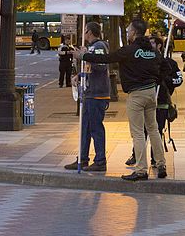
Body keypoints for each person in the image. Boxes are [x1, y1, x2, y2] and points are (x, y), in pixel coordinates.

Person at [75, 19, 167, 181]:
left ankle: (141, 169)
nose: (127, 33)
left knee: (138, 132)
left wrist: (83, 56)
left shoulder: (129, 50)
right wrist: (155, 81)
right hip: (151, 93)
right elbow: (163, 68)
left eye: (128, 30)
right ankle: (161, 164)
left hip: (136, 94)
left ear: (134, 32)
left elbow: (107, 58)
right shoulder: (153, 51)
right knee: (153, 129)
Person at [125, 35, 183, 166]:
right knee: (142, 131)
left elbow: (178, 80)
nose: (149, 46)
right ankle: (137, 155)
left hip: (161, 102)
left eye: (152, 43)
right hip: (147, 99)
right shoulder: (142, 60)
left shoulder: (169, 63)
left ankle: (155, 159)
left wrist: (164, 81)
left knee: (156, 130)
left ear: (159, 46)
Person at [64, 22, 110, 171]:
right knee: (85, 128)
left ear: (89, 32)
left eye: (84, 31)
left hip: (97, 94)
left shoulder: (99, 47)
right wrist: (80, 75)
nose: (83, 33)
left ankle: (100, 160)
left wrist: (83, 56)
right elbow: (91, 68)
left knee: (95, 127)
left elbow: (101, 65)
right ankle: (83, 158)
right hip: (89, 93)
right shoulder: (92, 48)